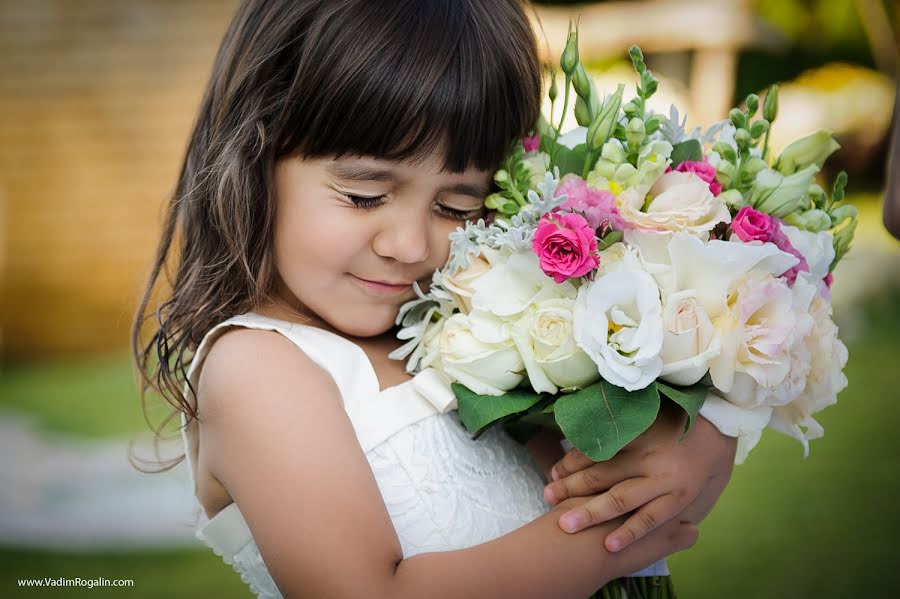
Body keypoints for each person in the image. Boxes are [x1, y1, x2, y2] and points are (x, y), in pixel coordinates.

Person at [132, 1, 736, 597]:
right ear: (256, 157)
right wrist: (610, 538)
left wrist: (695, 450)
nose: (409, 243)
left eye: (457, 207)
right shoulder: (260, 369)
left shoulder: (465, 324)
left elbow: (603, 478)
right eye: (364, 195)